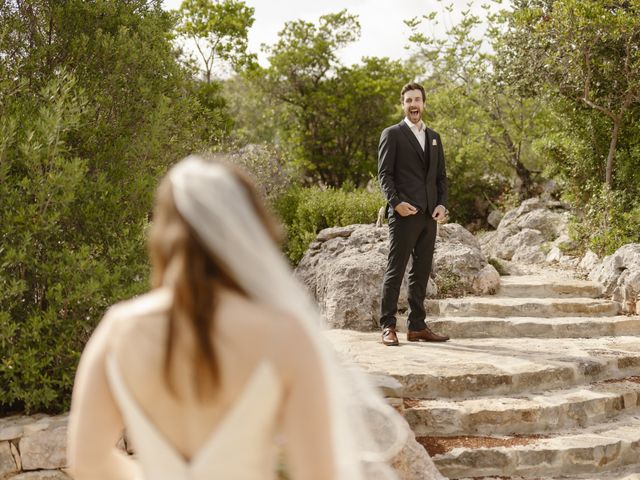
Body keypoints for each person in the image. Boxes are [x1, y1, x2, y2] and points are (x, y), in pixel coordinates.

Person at [67, 155, 411, 480]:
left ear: (163, 234)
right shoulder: (283, 335)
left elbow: (87, 460)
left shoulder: (117, 329)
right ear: (248, 232)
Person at [378, 82, 450, 346]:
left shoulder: (434, 137)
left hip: (430, 216)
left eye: (417, 100)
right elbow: (384, 175)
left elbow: (440, 177)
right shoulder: (392, 134)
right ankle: (387, 326)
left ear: (424, 103)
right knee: (395, 270)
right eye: (408, 100)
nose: (413, 105)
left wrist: (442, 204)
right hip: (404, 214)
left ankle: (417, 326)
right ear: (403, 104)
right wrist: (395, 203)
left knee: (421, 272)